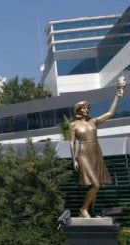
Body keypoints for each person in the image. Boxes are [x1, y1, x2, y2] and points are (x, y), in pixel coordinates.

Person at [69, 76, 125, 218]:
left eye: (88, 108)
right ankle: (83, 209)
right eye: (84, 108)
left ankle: (91, 211)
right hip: (83, 153)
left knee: (97, 184)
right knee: (95, 184)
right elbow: (71, 142)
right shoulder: (74, 125)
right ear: (78, 110)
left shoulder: (93, 122)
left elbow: (110, 113)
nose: (86, 110)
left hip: (96, 151)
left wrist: (117, 96)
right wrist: (74, 159)